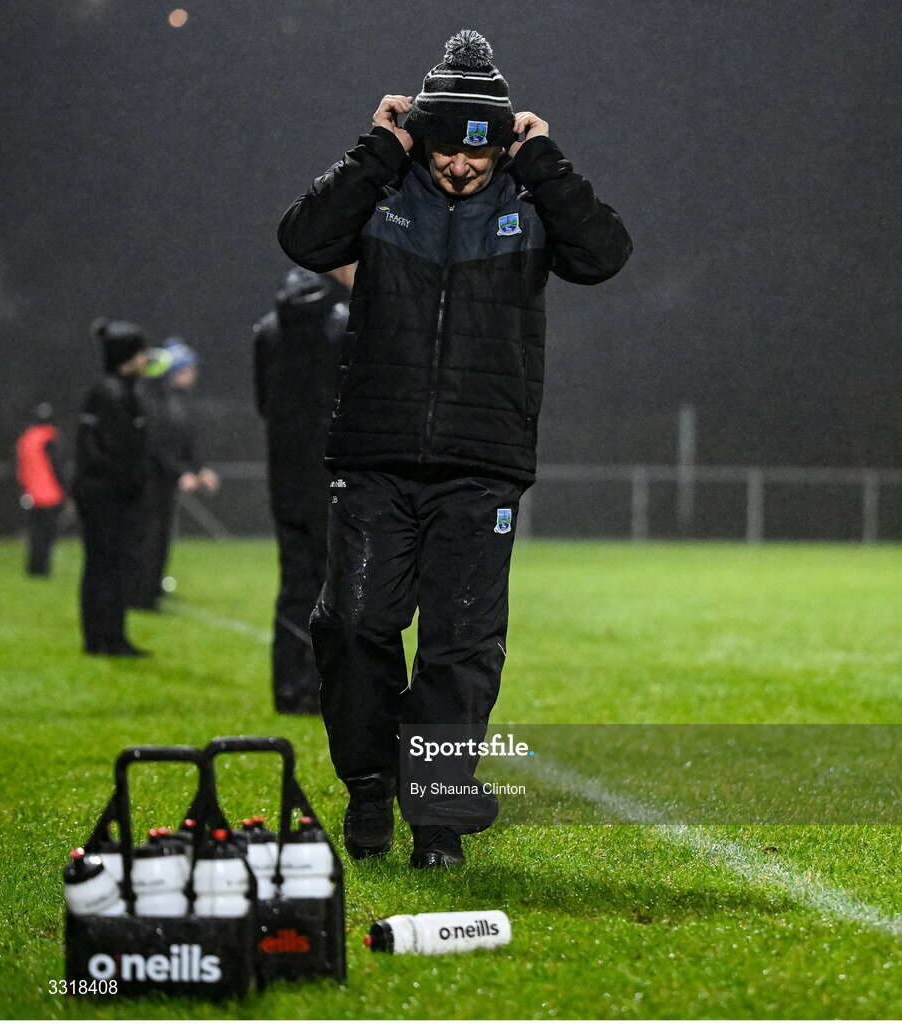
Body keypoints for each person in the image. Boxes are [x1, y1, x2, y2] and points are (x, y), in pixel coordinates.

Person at [277, 29, 632, 867]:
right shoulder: (384, 186)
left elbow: (605, 253)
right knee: (354, 623)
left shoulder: (531, 195)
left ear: (500, 140)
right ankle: (369, 784)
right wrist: (379, 146)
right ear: (422, 134)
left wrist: (543, 161)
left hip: (482, 464)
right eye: (443, 149)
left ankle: (435, 820)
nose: (460, 168)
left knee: (459, 648)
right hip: (375, 455)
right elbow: (304, 238)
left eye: (477, 153)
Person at [253, 264, 355, 715]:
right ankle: (326, 687)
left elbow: (264, 404)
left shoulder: (269, 329)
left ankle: (289, 687)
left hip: (286, 474)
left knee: (294, 583)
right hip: (336, 471)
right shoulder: (345, 321)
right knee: (337, 583)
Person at [72, 318, 150, 656]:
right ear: (126, 356)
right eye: (141, 352)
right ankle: (109, 638)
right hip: (108, 496)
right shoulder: (115, 394)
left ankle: (101, 637)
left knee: (100, 566)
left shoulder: (107, 390)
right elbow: (118, 451)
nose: (146, 359)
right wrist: (131, 486)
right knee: (110, 566)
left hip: (99, 493)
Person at [129, 339, 219, 611]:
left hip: (165, 480)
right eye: (188, 369)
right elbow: (156, 444)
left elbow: (186, 441)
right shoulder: (152, 400)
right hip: (151, 481)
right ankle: (141, 595)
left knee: (161, 536)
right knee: (149, 536)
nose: (193, 375)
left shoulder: (176, 401)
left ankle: (152, 588)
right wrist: (180, 473)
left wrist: (199, 469)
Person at [15, 403, 66, 577]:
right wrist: (65, 488)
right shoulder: (49, 438)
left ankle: (33, 567)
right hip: (50, 494)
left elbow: (21, 468)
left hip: (30, 493)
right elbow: (57, 467)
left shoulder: (26, 439)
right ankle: (42, 568)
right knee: (47, 534)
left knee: (35, 533)